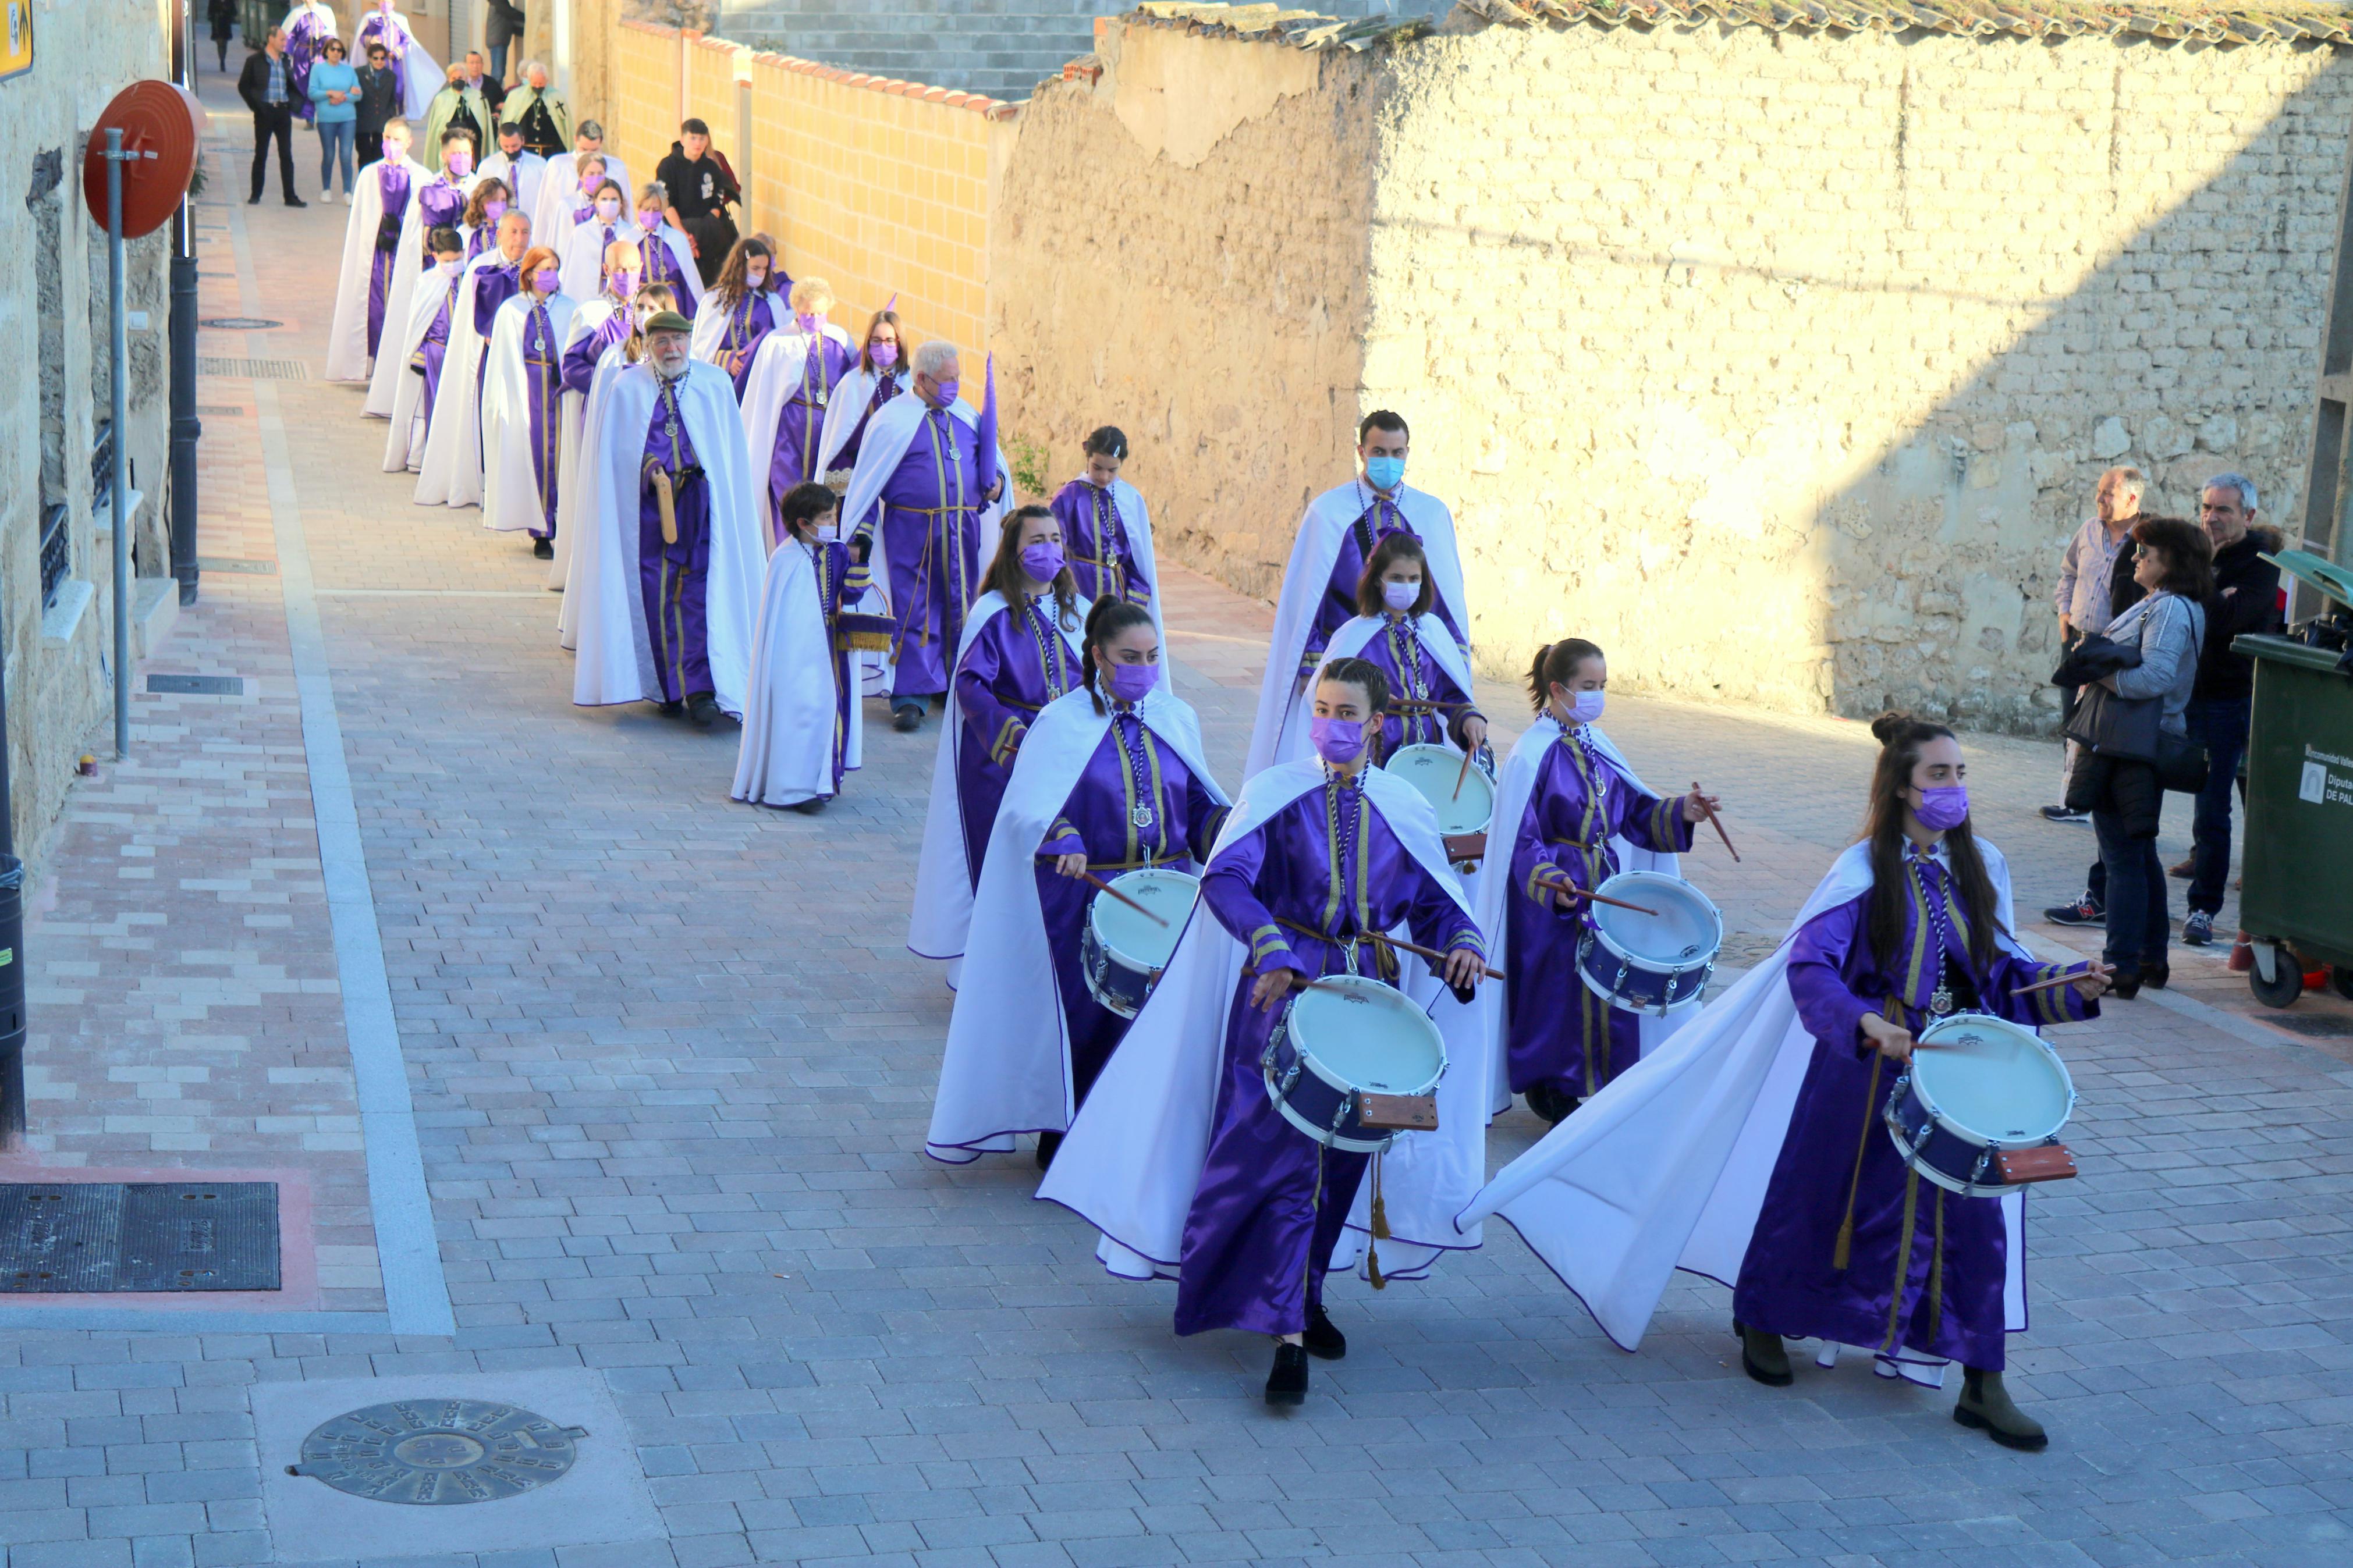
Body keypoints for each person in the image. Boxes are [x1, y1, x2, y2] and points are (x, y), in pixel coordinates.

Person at [1461, 712, 2109, 1448]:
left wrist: (2073, 984)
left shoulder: (1977, 868)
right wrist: (1865, 1024)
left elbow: (2002, 974)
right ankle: (1763, 1315)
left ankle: (1982, 1380)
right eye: (1938, 775)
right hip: (1859, 1072)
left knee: (1972, 1220)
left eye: (1959, 775)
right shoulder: (1863, 872)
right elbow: (1810, 967)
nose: (1953, 789)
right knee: (1820, 1199)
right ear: (1901, 787)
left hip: (1947, 1076)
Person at [1038, 656, 1490, 1407]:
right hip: (1280, 991)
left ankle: (1305, 1295)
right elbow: (1226, 877)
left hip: (1366, 997)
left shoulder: (1405, 806)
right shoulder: (1277, 794)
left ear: (1377, 725)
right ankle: (1282, 1330)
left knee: (1341, 1156)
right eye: (1322, 708)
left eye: (1347, 712)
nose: (1331, 723)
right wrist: (1267, 942)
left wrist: (1464, 944)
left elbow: (1437, 902)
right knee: (1275, 1156)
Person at [927, 599, 1231, 1168]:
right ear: (1097, 655)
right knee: (1091, 1020)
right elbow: (1030, 804)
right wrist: (1060, 834)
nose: (1143, 666)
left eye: (1152, 656)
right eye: (1128, 657)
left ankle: (1143, 1136)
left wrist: (1222, 834)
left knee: (1161, 1024)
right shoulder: (1062, 721)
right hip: (1091, 897)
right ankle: (1070, 1135)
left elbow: (1195, 799)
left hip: (1168, 892)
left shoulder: (1174, 716)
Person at [1481, 638, 1710, 1124]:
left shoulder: (1596, 744)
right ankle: (1553, 1087)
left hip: (1603, 887)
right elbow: (1519, 838)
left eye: (1602, 686)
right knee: (1556, 995)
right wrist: (1551, 879)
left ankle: (1599, 1082)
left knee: (1607, 987)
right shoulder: (1532, 753)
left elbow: (1632, 811)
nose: (1596, 695)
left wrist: (1681, 811)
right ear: (1557, 689)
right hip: (1550, 898)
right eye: (1588, 686)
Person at [908, 507, 1092, 966]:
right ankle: (994, 972)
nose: (1048, 549)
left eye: (1054, 538)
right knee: (1009, 868)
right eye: (1036, 540)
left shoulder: (1079, 612)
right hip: (1001, 761)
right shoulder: (992, 613)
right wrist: (1016, 741)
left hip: (1068, 756)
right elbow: (972, 686)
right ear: (1014, 551)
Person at [567, 311, 764, 727]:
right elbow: (617, 456)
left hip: (703, 515)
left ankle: (701, 688)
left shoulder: (714, 384)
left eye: (678, 340)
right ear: (648, 344)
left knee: (698, 597)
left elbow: (725, 455)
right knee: (658, 598)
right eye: (661, 342)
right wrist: (650, 468)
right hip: (648, 521)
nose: (671, 349)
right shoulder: (627, 388)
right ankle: (666, 686)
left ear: (689, 342)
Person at [1247, 411, 1466, 777]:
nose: (1389, 461)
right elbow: (1311, 603)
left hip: (1412, 667)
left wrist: (1453, 666)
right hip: (1347, 656)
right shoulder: (1329, 513)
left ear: (1408, 453)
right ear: (1361, 451)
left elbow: (1447, 604)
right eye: (1379, 451)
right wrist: (1312, 670)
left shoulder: (1430, 513)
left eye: (1397, 453)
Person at [2063, 518, 2213, 997]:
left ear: (2170, 562)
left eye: (2144, 553)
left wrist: (2098, 670)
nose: (2135, 559)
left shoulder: (2169, 608)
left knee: (2121, 856)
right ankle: (2148, 957)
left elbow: (2155, 679)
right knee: (2137, 853)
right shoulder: (2162, 604)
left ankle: (2121, 964)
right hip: (2125, 742)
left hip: (2129, 747)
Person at [839, 338, 1010, 734]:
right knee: (915, 609)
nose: (954, 387)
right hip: (911, 532)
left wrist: (997, 484)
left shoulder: (965, 414)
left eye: (957, 379)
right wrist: (860, 539)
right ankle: (911, 695)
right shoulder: (891, 420)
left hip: (963, 529)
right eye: (947, 380)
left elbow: (993, 465)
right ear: (921, 378)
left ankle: (956, 684)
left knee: (962, 605)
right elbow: (868, 481)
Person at [2177, 476, 2283, 947]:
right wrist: (2211, 591)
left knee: (2212, 808)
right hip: (2179, 695)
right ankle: (2103, 895)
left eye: (2223, 509)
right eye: (2205, 507)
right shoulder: (2195, 557)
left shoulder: (2260, 565)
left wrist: (2203, 596)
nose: (2211, 517)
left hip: (2226, 700)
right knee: (2131, 791)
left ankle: (2203, 909)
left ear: (2248, 516)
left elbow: (2223, 621)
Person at [732, 482, 872, 813]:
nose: (832, 523)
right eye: (826, 517)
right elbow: (783, 620)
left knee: (827, 711)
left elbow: (849, 593)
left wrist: (861, 560)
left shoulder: (836, 551)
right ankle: (793, 788)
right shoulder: (786, 560)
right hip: (796, 655)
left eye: (834, 516)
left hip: (830, 648)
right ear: (802, 523)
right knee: (799, 712)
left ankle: (819, 783)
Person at [554, 280, 680, 630]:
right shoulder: (613, 357)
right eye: (640, 307)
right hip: (623, 470)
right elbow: (602, 418)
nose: (643, 315)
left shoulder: (685, 362)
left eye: (653, 308)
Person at [1305, 532, 1485, 767]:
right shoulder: (1354, 634)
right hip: (1376, 747)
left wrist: (1469, 716)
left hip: (1428, 746)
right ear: (1378, 579)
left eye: (1414, 578)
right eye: (1397, 578)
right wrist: (1370, 698)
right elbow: (1329, 694)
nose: (1407, 586)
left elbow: (1450, 692)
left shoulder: (1433, 630)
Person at [2043, 467, 2145, 841]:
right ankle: (2071, 800)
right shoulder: (2088, 530)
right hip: (2078, 641)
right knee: (2072, 720)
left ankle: (2083, 804)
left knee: (2097, 727)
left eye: (2109, 494)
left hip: (2112, 649)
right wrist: (2064, 611)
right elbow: (2067, 574)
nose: (2100, 499)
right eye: (2099, 492)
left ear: (2132, 499)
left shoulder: (2146, 540)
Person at [416, 208, 528, 509]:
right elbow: (468, 320)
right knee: (484, 416)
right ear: (500, 234)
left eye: (525, 232)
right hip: (485, 358)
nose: (520, 238)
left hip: (524, 360)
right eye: (514, 232)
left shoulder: (535, 266)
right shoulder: (481, 266)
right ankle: (480, 480)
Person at [359, 126, 474, 419]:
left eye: (467, 153)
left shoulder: (481, 189)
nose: (462, 158)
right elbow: (414, 237)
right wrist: (431, 242)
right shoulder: (429, 186)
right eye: (456, 153)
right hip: (435, 280)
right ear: (444, 154)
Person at [740, 280, 858, 541]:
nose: (813, 318)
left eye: (819, 313)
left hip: (827, 430)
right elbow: (764, 395)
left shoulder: (840, 341)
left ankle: (825, 554)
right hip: (789, 432)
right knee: (789, 495)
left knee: (825, 498)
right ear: (796, 309)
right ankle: (790, 548)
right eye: (807, 313)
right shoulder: (778, 342)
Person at [481, 246, 573, 556]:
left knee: (561, 458)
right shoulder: (512, 310)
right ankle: (541, 531)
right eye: (544, 269)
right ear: (530, 273)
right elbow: (503, 360)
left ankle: (565, 523)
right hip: (528, 389)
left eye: (555, 269)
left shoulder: (570, 308)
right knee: (535, 456)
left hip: (560, 390)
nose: (550, 276)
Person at [325, 119, 428, 382]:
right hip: (375, 256)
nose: (391, 144)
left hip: (403, 256)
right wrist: (377, 232)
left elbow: (423, 221)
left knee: (399, 306)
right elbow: (362, 219)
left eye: (397, 139)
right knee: (372, 307)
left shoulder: (421, 177)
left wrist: (401, 227)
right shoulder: (369, 174)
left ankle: (393, 364)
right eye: (387, 138)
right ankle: (368, 361)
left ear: (409, 143)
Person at [1047, 426, 1161, 642]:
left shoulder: (1130, 499)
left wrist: (1134, 599)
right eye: (1097, 467)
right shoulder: (1068, 497)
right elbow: (1055, 549)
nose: (1103, 476)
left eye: (1112, 470)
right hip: (1079, 586)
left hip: (1116, 591)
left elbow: (1136, 558)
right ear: (1087, 455)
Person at [381, 225, 467, 474]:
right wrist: (419, 356)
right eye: (447, 260)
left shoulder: (469, 279)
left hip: (460, 354)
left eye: (457, 259)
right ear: (436, 256)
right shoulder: (428, 281)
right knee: (429, 405)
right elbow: (419, 323)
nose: (453, 264)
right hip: (435, 354)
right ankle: (422, 456)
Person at [813, 307, 908, 481]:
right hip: (860, 473)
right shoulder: (852, 384)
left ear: (899, 343)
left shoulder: (911, 385)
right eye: (877, 340)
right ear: (868, 343)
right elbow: (839, 441)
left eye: (889, 341)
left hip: (901, 474)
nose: (883, 346)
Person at [687, 236, 777, 393]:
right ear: (741, 266)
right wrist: (727, 359)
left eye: (764, 269)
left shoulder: (772, 302)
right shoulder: (715, 300)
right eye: (755, 268)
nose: (761, 274)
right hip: (721, 378)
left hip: (756, 378)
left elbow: (776, 343)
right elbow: (702, 348)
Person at [656, 119, 741, 286]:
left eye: (702, 139)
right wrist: (684, 236)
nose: (698, 143)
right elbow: (666, 203)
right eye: (693, 138)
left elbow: (718, 201)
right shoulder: (668, 166)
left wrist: (703, 230)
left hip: (708, 234)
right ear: (683, 140)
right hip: (677, 231)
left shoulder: (711, 167)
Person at [240, 29, 307, 208]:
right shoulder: (255, 61)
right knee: (261, 154)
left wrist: (294, 103)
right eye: (282, 39)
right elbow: (243, 86)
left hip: (283, 112)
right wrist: (256, 106)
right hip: (265, 112)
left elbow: (291, 84)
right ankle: (255, 194)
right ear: (271, 38)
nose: (285, 43)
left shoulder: (285, 61)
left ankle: (290, 196)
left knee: (286, 155)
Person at [533, 122, 629, 244]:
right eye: (584, 150)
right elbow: (545, 208)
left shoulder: (617, 168)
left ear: (601, 143)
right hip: (566, 231)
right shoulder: (558, 166)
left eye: (594, 150)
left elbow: (626, 209)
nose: (588, 155)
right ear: (576, 141)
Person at [352, 1, 439, 119]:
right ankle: (377, 113)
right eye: (383, 1)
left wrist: (397, 52)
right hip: (377, 61)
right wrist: (371, 41)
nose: (385, 4)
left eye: (388, 1)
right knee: (375, 86)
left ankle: (395, 113)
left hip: (393, 61)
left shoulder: (400, 19)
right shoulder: (371, 18)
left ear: (394, 3)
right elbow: (363, 37)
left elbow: (406, 39)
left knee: (397, 87)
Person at [630, 184, 702, 319]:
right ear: (638, 209)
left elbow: (688, 280)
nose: (651, 214)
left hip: (673, 302)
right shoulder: (629, 240)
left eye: (656, 209)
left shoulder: (676, 238)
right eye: (646, 209)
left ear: (663, 210)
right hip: (642, 303)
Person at [554, 177, 633, 300]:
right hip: (587, 295)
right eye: (604, 199)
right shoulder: (582, 233)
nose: (609, 204)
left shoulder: (629, 234)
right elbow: (572, 272)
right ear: (596, 202)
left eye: (614, 200)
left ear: (621, 203)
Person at [307, 37, 359, 202]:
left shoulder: (349, 70)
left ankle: (347, 191)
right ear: (326, 51)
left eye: (339, 50)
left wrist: (342, 98)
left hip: (347, 118)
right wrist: (330, 93)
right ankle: (326, 189)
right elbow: (312, 93)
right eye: (333, 49)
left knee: (346, 154)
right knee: (329, 154)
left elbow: (358, 93)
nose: (336, 53)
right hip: (326, 119)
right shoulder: (318, 69)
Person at [421, 61, 491, 176]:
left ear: (467, 79)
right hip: (450, 145)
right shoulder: (441, 99)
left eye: (460, 77)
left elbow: (483, 127)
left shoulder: (477, 97)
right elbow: (437, 129)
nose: (457, 80)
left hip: (472, 147)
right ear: (449, 79)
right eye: (454, 78)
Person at [281, 1, 339, 124]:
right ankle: (309, 116)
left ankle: (324, 113)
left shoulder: (325, 12)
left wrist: (326, 45)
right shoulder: (297, 14)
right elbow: (290, 35)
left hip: (321, 54)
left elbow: (331, 33)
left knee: (321, 84)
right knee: (304, 84)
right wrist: (287, 54)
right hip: (302, 55)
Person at [478, 122, 546, 221]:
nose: (510, 151)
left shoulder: (540, 165)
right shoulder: (487, 166)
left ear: (522, 140)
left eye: (514, 146)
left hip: (532, 221)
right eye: (506, 146)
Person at [503, 60, 569, 158]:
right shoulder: (516, 96)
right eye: (535, 83)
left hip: (550, 153)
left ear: (547, 80)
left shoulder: (556, 97)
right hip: (524, 153)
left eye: (541, 83)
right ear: (529, 80)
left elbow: (564, 126)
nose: (538, 86)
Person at [351, 37, 403, 155]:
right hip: (363, 122)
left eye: (382, 58)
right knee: (364, 155)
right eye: (376, 58)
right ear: (369, 58)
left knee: (379, 155)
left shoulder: (391, 76)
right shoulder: (359, 73)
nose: (379, 61)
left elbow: (392, 99)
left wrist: (390, 116)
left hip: (382, 122)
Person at [457, 176, 512, 262]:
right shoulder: (466, 231)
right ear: (481, 202)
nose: (500, 205)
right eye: (494, 200)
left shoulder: (512, 231)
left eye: (503, 200)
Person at [484, 0, 525, 87]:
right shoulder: (498, 3)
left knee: (500, 71)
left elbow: (508, 23)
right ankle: (494, 93)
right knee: (498, 73)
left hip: (499, 40)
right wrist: (527, 18)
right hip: (497, 41)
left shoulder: (499, 4)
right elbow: (511, 13)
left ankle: (496, 91)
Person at [460, 49, 507, 118]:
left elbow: (501, 103)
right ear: (465, 65)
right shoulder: (462, 84)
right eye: (472, 63)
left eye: (478, 63)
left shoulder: (492, 84)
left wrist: (498, 113)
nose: (475, 66)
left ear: (482, 64)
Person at [208, 0, 236, 73]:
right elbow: (210, 12)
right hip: (217, 23)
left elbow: (234, 12)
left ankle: (223, 59)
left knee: (225, 43)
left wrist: (228, 12)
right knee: (220, 43)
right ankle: (222, 61)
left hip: (226, 23)